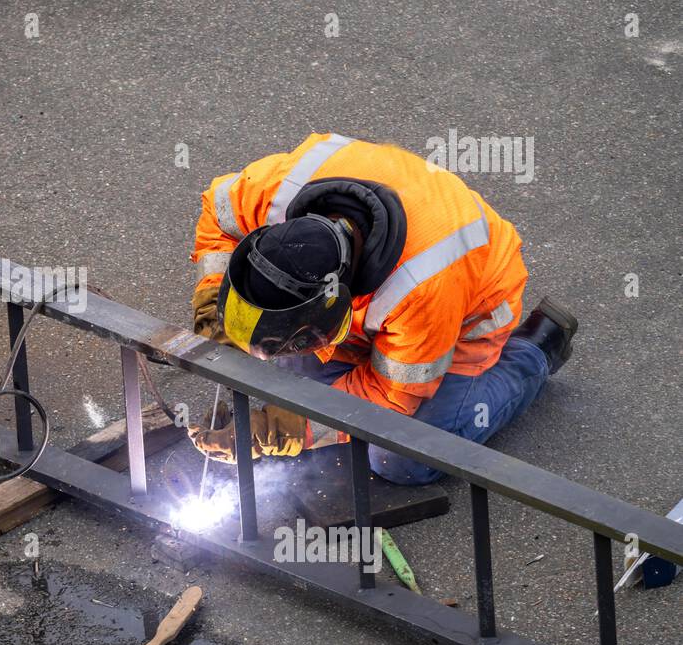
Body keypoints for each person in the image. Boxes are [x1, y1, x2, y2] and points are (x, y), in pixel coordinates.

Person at [186, 133, 577, 485]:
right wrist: (212, 308)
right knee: (301, 389)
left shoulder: (423, 286)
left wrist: (280, 431)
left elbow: (393, 395)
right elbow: (219, 217)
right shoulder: (275, 192)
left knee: (397, 457)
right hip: (382, 313)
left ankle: (532, 353)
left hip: (459, 324)